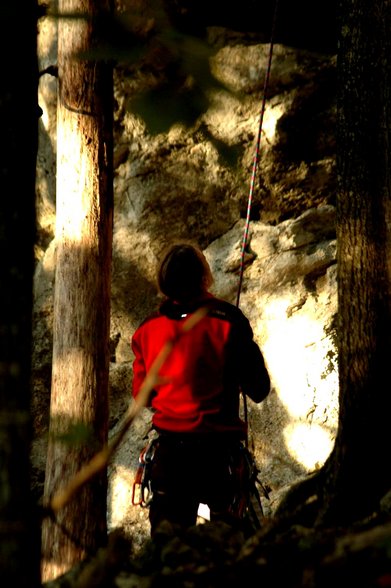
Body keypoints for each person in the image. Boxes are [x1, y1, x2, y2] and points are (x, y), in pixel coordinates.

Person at [131, 241, 270, 537]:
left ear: (163, 282)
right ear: (204, 278)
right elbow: (258, 388)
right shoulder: (229, 321)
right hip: (219, 459)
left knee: (168, 553)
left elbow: (144, 398)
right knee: (231, 551)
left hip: (171, 458)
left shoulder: (146, 330)